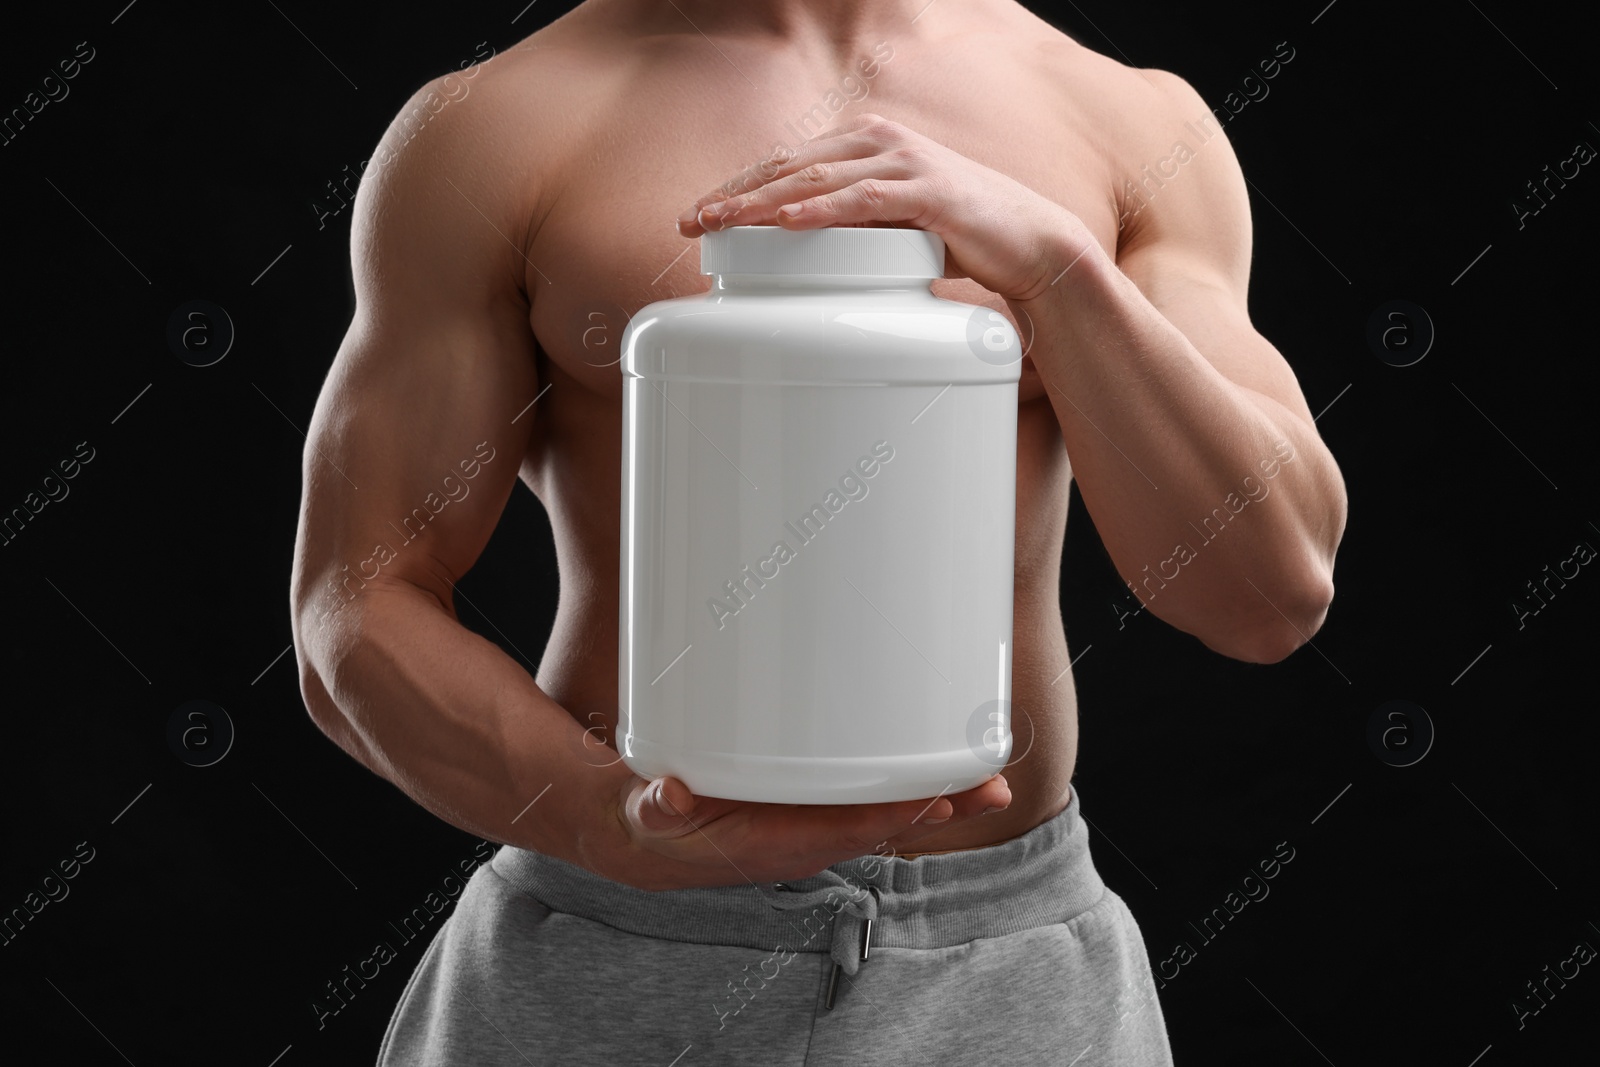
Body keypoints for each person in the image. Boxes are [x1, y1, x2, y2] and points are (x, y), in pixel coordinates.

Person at [289, 0, 1347, 1062]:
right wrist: (604, 822)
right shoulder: (495, 127)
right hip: (612, 941)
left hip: (1005, 960)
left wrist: (1057, 273)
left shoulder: (1127, 123)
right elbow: (358, 606)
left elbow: (1267, 595)